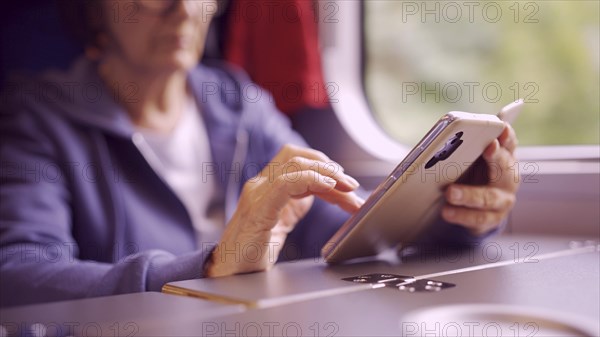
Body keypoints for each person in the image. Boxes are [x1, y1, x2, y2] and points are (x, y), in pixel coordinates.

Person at [0, 0, 519, 307]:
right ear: (96, 12)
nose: (183, 7)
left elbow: (335, 225)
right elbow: (18, 274)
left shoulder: (236, 99)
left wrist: (455, 213)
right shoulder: (36, 115)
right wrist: (207, 268)